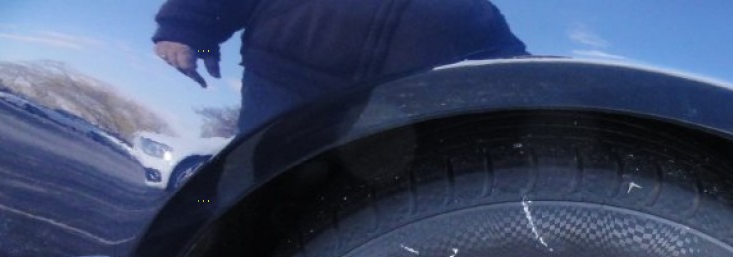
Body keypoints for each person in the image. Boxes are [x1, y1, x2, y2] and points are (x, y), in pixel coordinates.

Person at [153, 0, 526, 134]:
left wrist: (534, 91)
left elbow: (506, 64)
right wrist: (184, 30)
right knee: (249, 188)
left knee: (341, 215)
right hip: (281, 83)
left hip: (391, 114)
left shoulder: (474, 9)